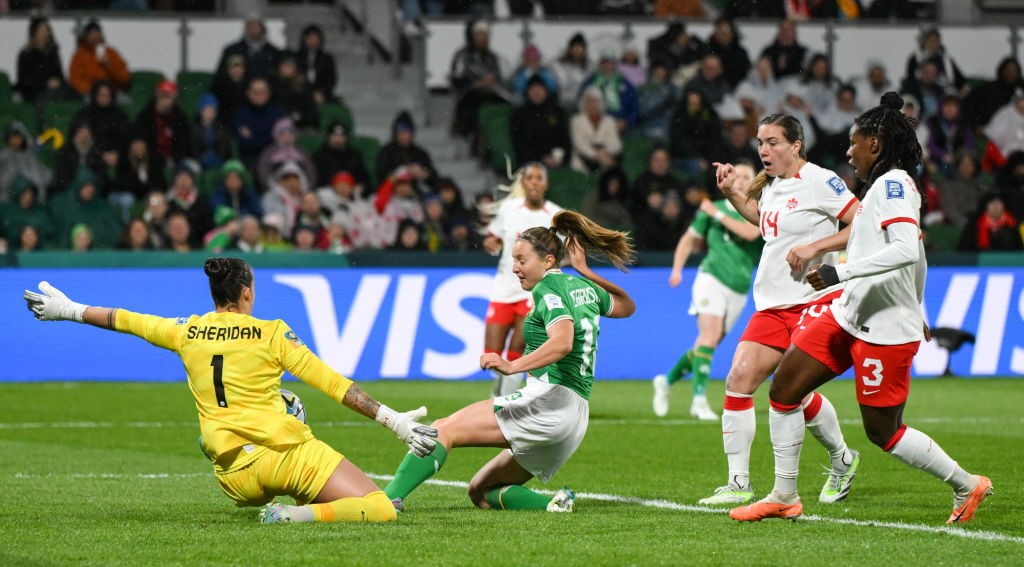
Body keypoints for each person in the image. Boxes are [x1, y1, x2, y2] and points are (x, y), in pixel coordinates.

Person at [730, 93, 993, 524]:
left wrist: (842, 275)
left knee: (883, 433)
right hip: (848, 314)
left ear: (876, 143)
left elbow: (907, 249)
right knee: (784, 389)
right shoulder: (882, 187)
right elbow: (917, 253)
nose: (849, 151)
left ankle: (967, 484)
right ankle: (784, 495)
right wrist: (917, 302)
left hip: (883, 328)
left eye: (855, 143)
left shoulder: (891, 186)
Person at [23, 257, 438, 524]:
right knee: (381, 507)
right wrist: (394, 421)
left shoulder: (186, 331)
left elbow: (123, 319)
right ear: (246, 293)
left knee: (274, 412)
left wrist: (69, 310)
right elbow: (332, 383)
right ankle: (297, 516)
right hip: (285, 458)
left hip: (235, 477)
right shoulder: (272, 333)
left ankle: (271, 477)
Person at [384, 211, 636, 513]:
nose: (515, 268)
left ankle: (385, 502)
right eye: (514, 259)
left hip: (549, 401)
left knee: (442, 429)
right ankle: (554, 505)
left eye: (521, 260)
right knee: (481, 491)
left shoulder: (548, 287)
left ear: (548, 261)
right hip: (574, 417)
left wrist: (513, 365)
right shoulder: (580, 287)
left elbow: (563, 341)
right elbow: (626, 306)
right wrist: (585, 271)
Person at [697, 113, 861, 506]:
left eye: (772, 142)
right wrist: (732, 195)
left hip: (813, 302)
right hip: (771, 304)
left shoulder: (821, 181)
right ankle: (739, 483)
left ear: (796, 146)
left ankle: (841, 460)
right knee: (738, 379)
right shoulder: (772, 185)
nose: (763, 150)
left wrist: (816, 248)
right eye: (760, 143)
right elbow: (763, 224)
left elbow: (862, 223)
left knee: (792, 390)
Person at [653, 163, 762, 421]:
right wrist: (677, 270)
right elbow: (688, 239)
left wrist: (716, 213)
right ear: (732, 179)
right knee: (709, 336)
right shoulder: (715, 208)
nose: (744, 180)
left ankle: (666, 381)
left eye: (750, 176)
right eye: (741, 175)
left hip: (739, 286)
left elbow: (749, 234)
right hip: (710, 277)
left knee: (708, 344)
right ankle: (699, 401)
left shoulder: (758, 210)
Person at [481, 163, 563, 396]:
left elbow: (565, 252)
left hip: (532, 293)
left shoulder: (555, 215)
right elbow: (493, 237)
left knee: (518, 349)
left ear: (545, 184)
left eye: (539, 178)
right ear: (523, 183)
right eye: (530, 178)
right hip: (504, 289)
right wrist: (492, 244)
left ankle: (506, 404)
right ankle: (500, 393)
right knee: (492, 351)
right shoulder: (509, 209)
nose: (535, 182)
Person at [68, 19, 131, 97]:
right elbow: (75, 79)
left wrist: (109, 64)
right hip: (89, 93)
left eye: (97, 34)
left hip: (112, 92)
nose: (94, 37)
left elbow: (124, 78)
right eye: (91, 34)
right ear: (86, 36)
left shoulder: (111, 53)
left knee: (124, 102)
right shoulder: (80, 55)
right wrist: (94, 90)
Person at [15, 16, 68, 104]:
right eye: (40, 30)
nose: (44, 33)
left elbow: (60, 75)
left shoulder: (53, 53)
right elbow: (24, 81)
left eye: (46, 30)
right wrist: (45, 83)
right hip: (33, 93)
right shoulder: (26, 54)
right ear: (34, 33)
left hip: (54, 91)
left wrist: (58, 82)